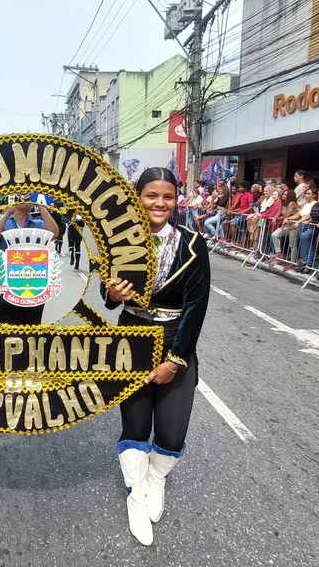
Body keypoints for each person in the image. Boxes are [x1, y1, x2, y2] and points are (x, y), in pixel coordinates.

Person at [103, 167, 210, 547]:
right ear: (138, 197)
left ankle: (156, 478)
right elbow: (107, 295)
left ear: (176, 200)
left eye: (167, 196)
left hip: (174, 338)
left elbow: (196, 307)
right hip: (132, 338)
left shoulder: (195, 245)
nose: (159, 203)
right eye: (151, 195)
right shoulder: (119, 241)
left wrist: (174, 360)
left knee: (171, 429)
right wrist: (115, 295)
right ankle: (135, 495)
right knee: (134, 425)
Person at [0, 197, 60, 325]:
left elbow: (54, 234)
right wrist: (7, 213)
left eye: (28, 196)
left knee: (32, 327)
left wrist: (41, 206)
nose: (23, 198)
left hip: (34, 282)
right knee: (8, 328)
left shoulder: (38, 224)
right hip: (7, 283)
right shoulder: (2, 220)